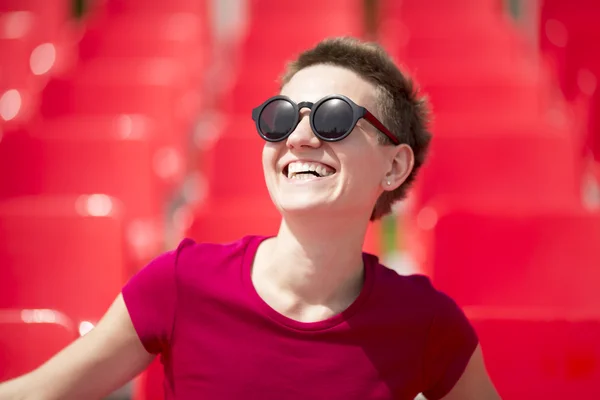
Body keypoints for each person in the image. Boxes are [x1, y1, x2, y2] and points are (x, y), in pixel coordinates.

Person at [0, 37, 500, 400]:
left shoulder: (426, 323)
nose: (300, 138)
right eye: (283, 117)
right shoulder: (179, 283)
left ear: (394, 166)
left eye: (332, 117)